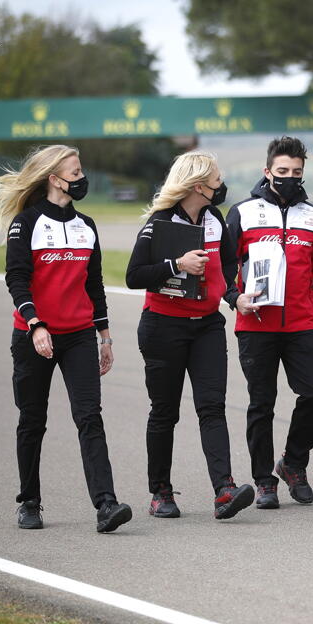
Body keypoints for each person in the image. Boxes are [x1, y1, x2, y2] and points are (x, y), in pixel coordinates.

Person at [0, 144, 133, 532]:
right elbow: (16, 279)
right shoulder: (27, 222)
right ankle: (29, 502)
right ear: (54, 179)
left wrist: (105, 336)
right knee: (32, 420)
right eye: (75, 171)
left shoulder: (87, 225)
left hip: (79, 337)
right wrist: (36, 324)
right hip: (34, 336)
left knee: (90, 418)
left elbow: (94, 284)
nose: (81, 178)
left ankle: (106, 505)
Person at [125, 150, 255, 520]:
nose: (221, 185)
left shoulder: (214, 219)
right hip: (163, 326)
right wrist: (176, 265)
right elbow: (134, 276)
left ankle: (224, 490)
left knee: (212, 407)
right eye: (216, 179)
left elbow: (229, 260)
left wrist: (225, 290)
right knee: (165, 412)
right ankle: (160, 492)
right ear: (199, 185)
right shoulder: (159, 222)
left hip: (207, 326)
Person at [223, 136, 313, 509]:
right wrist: (233, 297)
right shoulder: (243, 213)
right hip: (255, 326)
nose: (290, 177)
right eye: (283, 171)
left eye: (297, 172)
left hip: (301, 325)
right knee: (262, 404)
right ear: (267, 171)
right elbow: (221, 267)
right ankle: (263, 480)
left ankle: (293, 464)